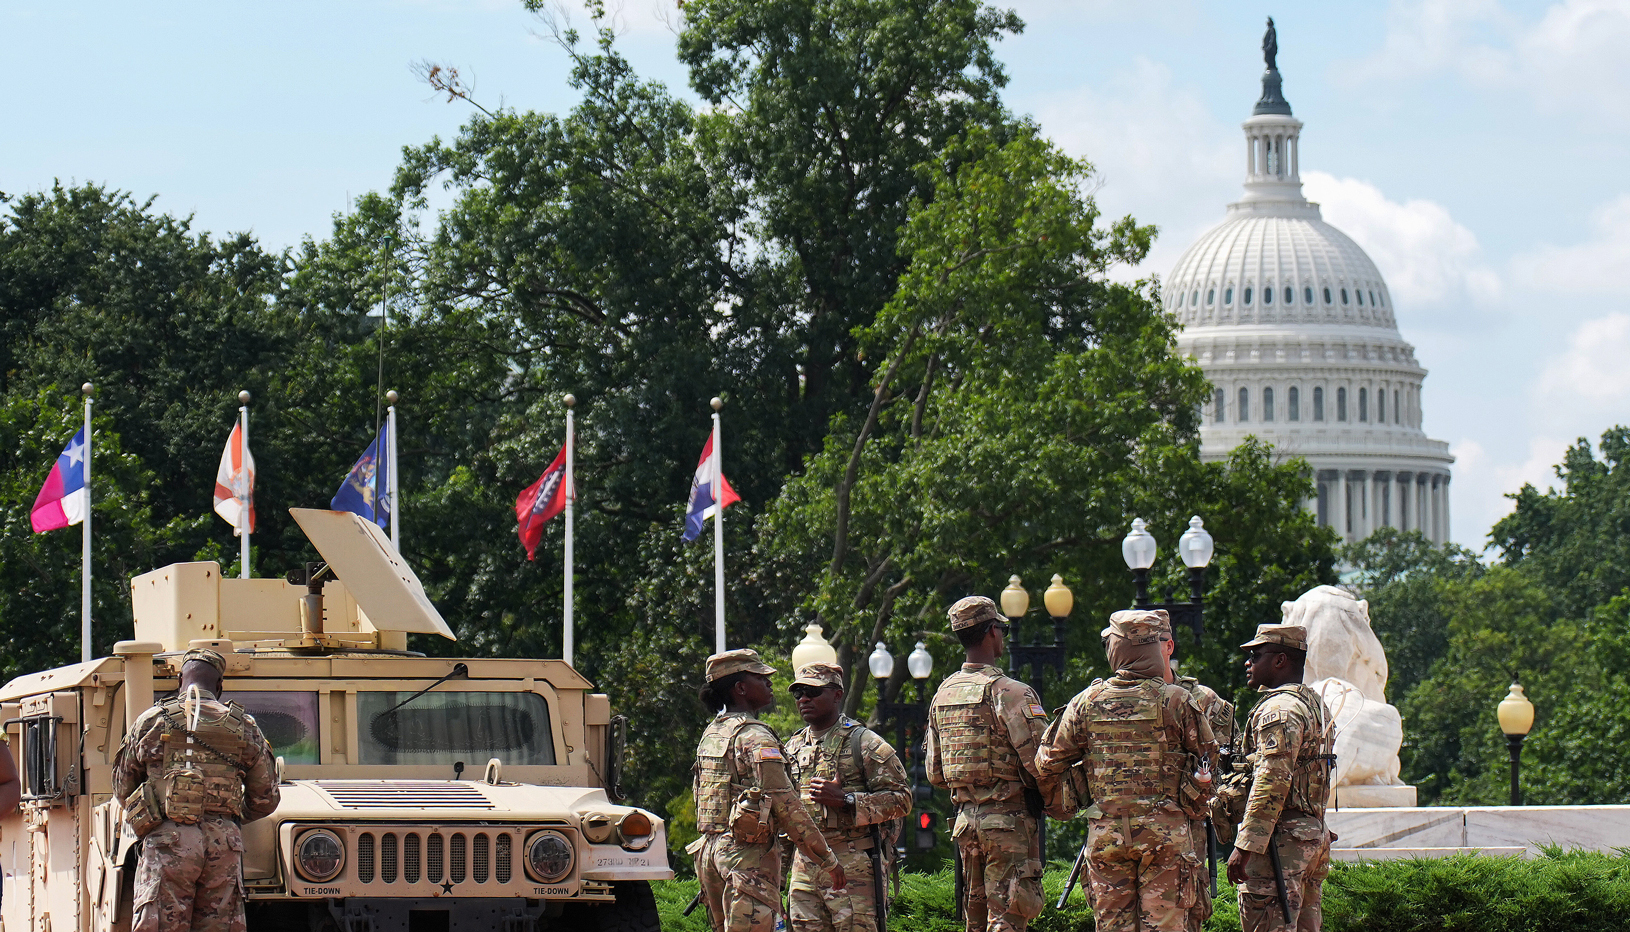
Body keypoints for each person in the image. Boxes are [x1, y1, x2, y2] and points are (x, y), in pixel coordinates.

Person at [1036, 610, 1216, 932]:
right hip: (1166, 838)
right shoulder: (1178, 701)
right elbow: (1206, 759)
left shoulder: (1085, 702)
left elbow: (1047, 763)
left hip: (1107, 836)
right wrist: (1193, 801)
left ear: (1117, 650)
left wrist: (1072, 795)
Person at [111, 648, 280, 932]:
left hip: (168, 841)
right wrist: (227, 817)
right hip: (223, 844)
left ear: (180, 680)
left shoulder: (152, 721)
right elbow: (265, 798)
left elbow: (122, 787)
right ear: (219, 686)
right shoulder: (244, 727)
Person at [924, 595, 1057, 932]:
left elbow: (934, 772)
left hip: (966, 823)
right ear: (992, 633)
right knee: (1010, 916)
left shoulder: (943, 695)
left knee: (976, 921)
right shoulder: (1011, 693)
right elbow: (1042, 762)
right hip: (1008, 824)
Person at [691, 649, 846, 932]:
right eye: (761, 678)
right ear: (741, 688)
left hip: (710, 855)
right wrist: (826, 858)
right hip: (746, 860)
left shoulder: (713, 733)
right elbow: (786, 805)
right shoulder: (755, 736)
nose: (769, 683)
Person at [1214, 624, 1335, 932]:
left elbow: (1272, 780)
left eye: (1256, 655)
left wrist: (1246, 846)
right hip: (1309, 836)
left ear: (1280, 660)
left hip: (1278, 845)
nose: (1247, 663)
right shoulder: (1315, 705)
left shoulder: (1280, 710)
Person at [783, 662, 911, 932]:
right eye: (799, 693)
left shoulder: (864, 742)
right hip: (804, 868)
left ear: (837, 694)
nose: (804, 698)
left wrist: (847, 800)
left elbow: (902, 799)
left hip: (853, 868)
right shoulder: (791, 747)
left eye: (813, 692)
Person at [1163, 623, 1236, 932]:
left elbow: (1231, 762)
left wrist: (1202, 785)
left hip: (1187, 831)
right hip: (1126, 831)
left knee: (1187, 914)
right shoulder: (1112, 698)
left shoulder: (1201, 699)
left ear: (1168, 647)